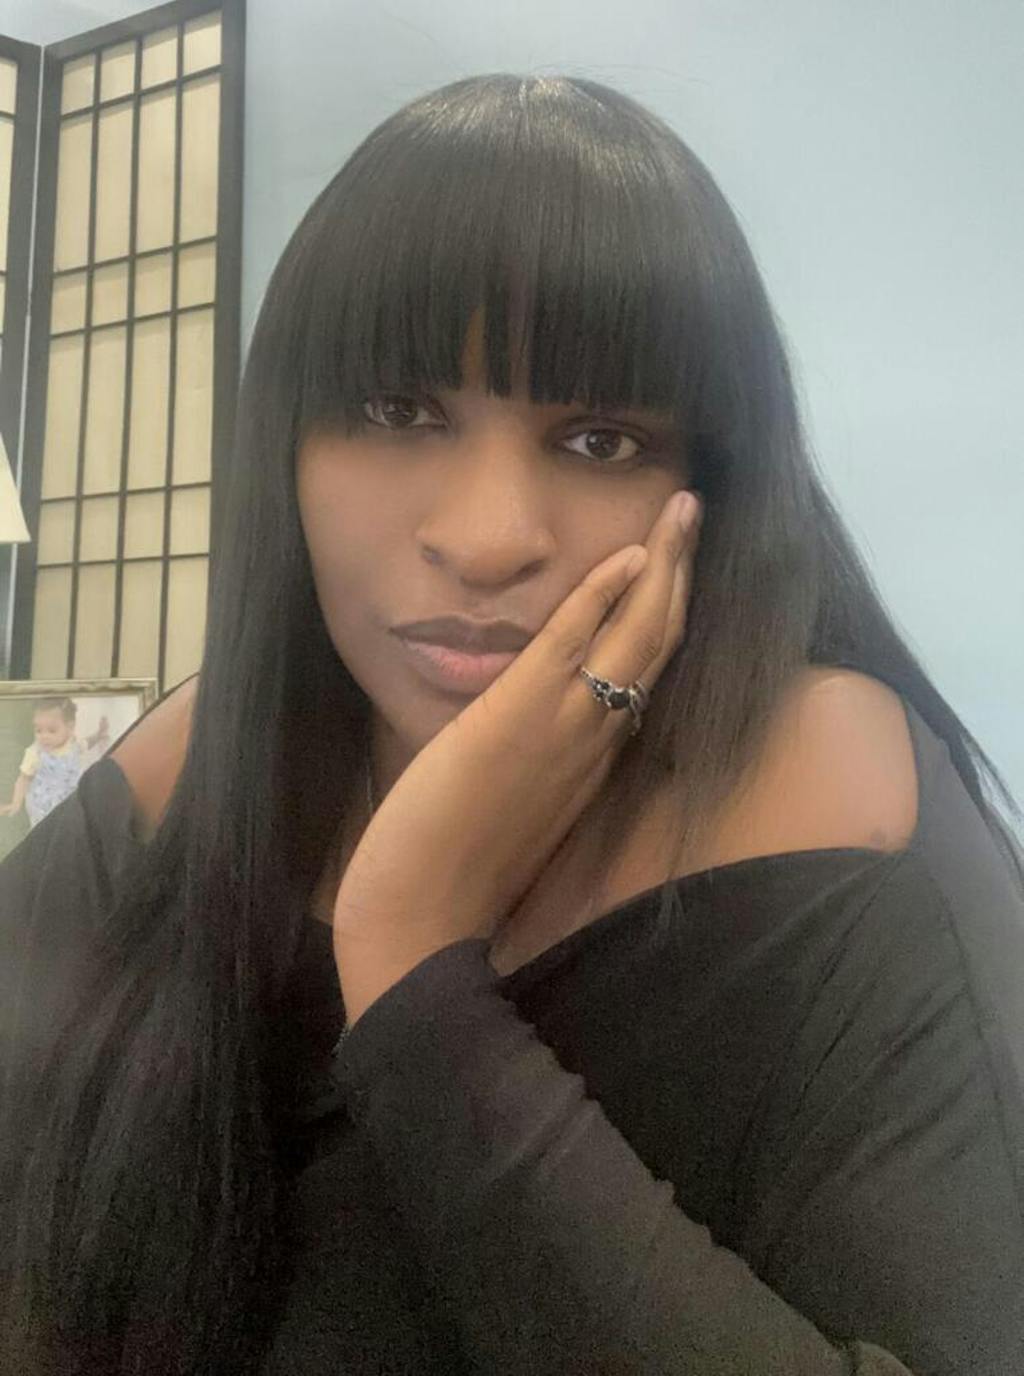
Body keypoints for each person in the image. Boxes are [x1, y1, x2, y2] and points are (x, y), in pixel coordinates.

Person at [1, 72, 1022, 1376]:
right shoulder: (188, 764)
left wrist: (413, 965)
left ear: (714, 488)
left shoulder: (836, 791)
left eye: (600, 440)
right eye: (397, 411)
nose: (486, 540)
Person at [0, 697, 110, 827]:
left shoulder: (72, 744)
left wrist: (98, 735)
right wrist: (16, 803)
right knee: (47, 832)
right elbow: (23, 779)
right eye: (38, 730)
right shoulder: (35, 753)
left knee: (72, 827)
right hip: (43, 808)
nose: (44, 736)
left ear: (70, 727)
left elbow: (86, 743)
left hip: (70, 801)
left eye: (52, 730)